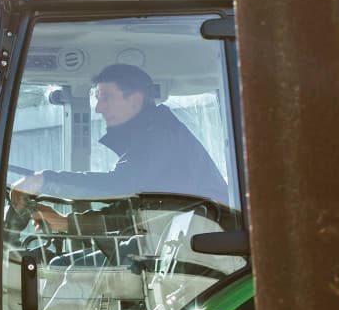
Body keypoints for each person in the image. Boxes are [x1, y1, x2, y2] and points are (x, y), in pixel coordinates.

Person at [13, 63, 229, 214]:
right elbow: (129, 209)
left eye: (106, 97)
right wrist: (65, 223)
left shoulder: (160, 136)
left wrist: (43, 180)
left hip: (203, 247)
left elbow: (120, 187)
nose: (98, 107)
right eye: (97, 98)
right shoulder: (149, 134)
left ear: (135, 100)